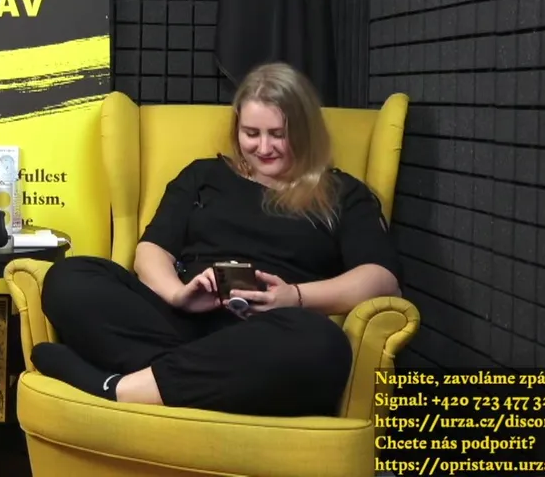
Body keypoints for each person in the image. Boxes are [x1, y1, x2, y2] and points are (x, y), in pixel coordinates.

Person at [31, 62, 402, 418]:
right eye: (251, 134)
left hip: (271, 333)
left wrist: (295, 296)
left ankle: (119, 388)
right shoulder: (203, 176)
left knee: (323, 345)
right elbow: (151, 250)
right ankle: (203, 379)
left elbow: (382, 280)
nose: (264, 148)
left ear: (306, 131)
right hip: (184, 322)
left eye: (278, 134)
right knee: (70, 278)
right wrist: (179, 294)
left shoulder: (342, 193)